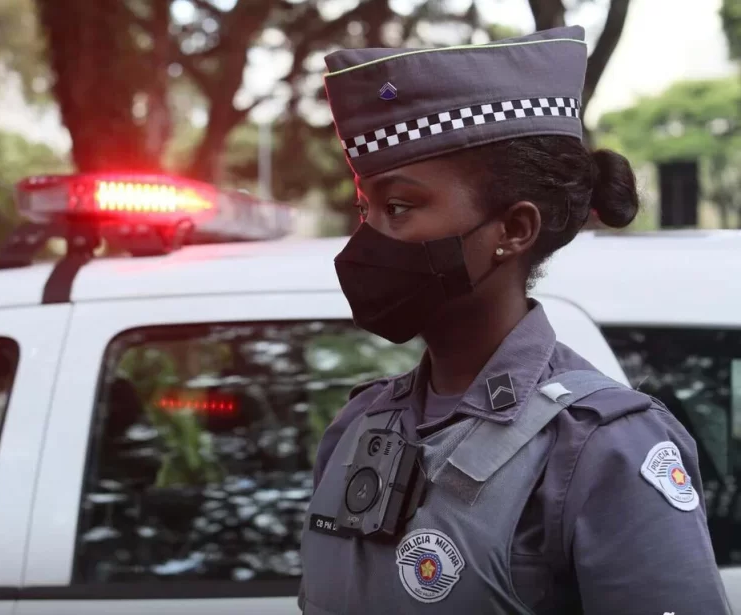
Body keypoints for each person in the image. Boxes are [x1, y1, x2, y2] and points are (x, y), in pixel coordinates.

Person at [298, 25, 730, 615]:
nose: (367, 238)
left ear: (514, 230)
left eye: (398, 207)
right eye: (364, 207)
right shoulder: (356, 427)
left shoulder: (603, 448)